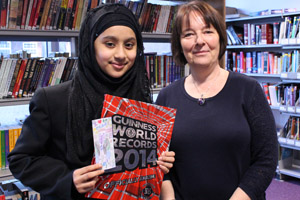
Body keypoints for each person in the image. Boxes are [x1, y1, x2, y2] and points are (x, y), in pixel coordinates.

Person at [8, 3, 174, 200]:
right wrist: (67, 179)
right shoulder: (52, 99)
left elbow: (139, 166)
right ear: (90, 45)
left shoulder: (141, 97)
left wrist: (159, 162)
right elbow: (21, 160)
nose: (121, 54)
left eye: (129, 45)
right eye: (110, 44)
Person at [156, 1, 278, 200]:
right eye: (188, 34)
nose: (199, 41)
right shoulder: (166, 97)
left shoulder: (249, 90)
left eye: (208, 31)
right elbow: (160, 162)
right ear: (179, 43)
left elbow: (266, 160)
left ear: (220, 38)